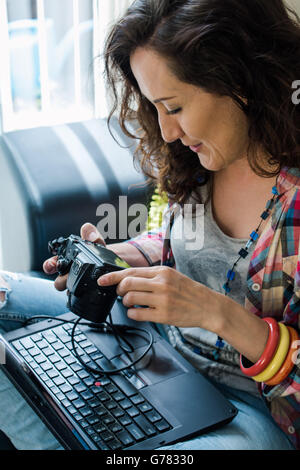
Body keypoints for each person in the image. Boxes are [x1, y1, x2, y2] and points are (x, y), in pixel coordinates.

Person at [0, 0, 300, 450]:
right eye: (154, 106)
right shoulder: (202, 159)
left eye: (174, 106)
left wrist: (215, 312)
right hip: (152, 341)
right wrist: (123, 258)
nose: (166, 131)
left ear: (239, 80)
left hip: (250, 410)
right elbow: (183, 239)